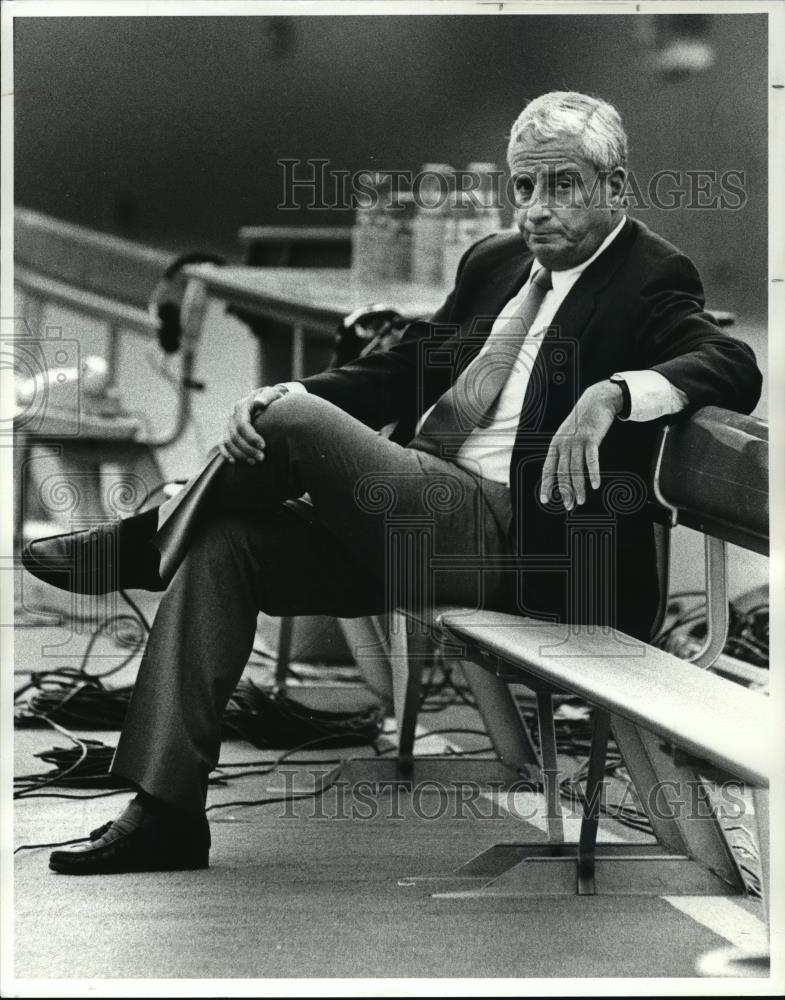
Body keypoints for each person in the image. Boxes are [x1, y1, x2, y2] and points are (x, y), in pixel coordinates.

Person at [22, 91, 762, 874]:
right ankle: (166, 812)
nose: (537, 210)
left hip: (526, 551)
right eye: (523, 187)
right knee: (225, 541)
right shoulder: (496, 262)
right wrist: (270, 395)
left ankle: (142, 542)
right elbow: (401, 369)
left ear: (613, 187)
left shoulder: (651, 274)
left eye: (563, 186)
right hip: (421, 521)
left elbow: (731, 365)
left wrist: (611, 392)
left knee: (293, 422)